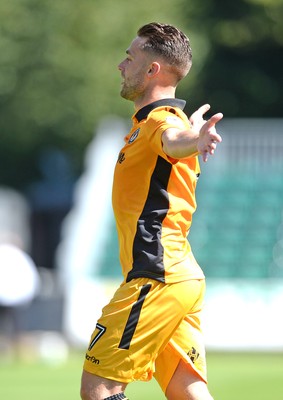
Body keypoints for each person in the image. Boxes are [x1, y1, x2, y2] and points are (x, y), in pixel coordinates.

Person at [80, 22, 223, 400]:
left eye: (130, 57)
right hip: (179, 277)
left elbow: (176, 142)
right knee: (187, 392)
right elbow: (178, 141)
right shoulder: (150, 124)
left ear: (152, 70)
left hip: (156, 277)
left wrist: (196, 139)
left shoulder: (161, 121)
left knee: (99, 387)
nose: (121, 65)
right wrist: (193, 139)